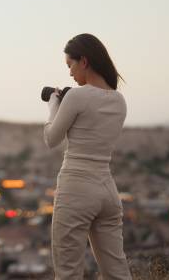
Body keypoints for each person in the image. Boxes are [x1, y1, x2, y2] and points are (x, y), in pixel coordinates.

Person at [44, 33, 132, 279]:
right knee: (116, 270)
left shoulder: (77, 96)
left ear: (83, 61)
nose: (70, 73)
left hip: (77, 188)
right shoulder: (119, 100)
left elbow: (52, 139)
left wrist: (53, 105)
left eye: (70, 65)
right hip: (107, 190)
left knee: (68, 270)